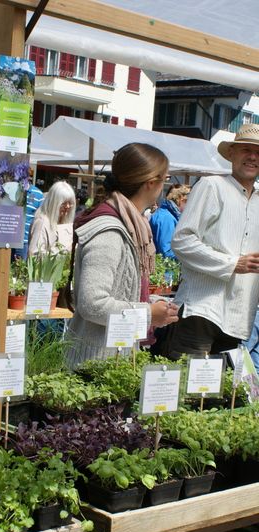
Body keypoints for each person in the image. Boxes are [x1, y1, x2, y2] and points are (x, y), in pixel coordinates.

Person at [64, 143, 179, 369]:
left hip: (108, 360)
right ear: (151, 183)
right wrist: (148, 313)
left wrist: (151, 304)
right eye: (165, 180)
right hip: (94, 365)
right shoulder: (110, 230)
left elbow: (117, 291)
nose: (163, 187)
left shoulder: (129, 225)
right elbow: (91, 303)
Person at [152, 124, 259, 359]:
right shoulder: (213, 186)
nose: (252, 157)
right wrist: (232, 264)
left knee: (218, 393)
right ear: (231, 154)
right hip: (202, 309)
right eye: (245, 150)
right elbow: (181, 241)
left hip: (239, 316)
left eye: (258, 152)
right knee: (186, 388)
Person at [28, 180, 75, 257]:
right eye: (64, 203)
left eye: (70, 203)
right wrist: (62, 253)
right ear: (54, 202)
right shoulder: (42, 222)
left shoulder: (63, 221)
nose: (68, 206)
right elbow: (34, 255)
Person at [149, 184, 190, 259]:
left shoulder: (166, 214)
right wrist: (189, 257)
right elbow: (166, 252)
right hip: (167, 269)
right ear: (181, 200)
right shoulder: (167, 218)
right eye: (189, 203)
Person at [15, 168, 44, 259]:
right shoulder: (13, 191)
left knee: (20, 270)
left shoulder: (38, 195)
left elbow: (41, 219)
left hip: (25, 241)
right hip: (9, 237)